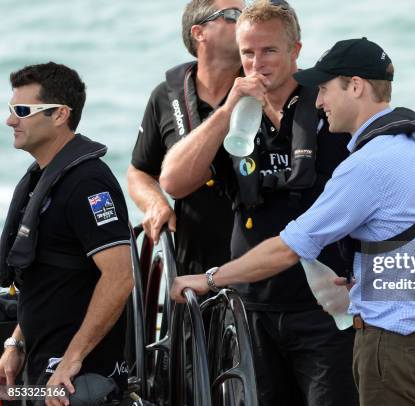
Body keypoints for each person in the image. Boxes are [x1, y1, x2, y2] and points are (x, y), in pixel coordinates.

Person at [171, 37, 415, 405]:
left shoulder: (366, 165)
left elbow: (289, 248)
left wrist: (208, 279)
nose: (318, 101)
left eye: (326, 89)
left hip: (393, 346)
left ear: (357, 87)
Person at [161, 1, 357, 404]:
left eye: (269, 51)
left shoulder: (329, 109)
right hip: (253, 307)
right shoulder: (233, 116)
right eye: (248, 53)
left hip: (323, 306)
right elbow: (174, 182)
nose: (257, 63)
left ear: (295, 52)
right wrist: (228, 109)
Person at [0, 62, 134, 404]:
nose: (10, 120)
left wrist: (72, 359)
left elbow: (119, 277)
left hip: (74, 375)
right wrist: (16, 342)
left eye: (22, 111)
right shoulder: (41, 179)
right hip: (40, 362)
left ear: (60, 115)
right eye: (11, 109)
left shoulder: (88, 183)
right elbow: (42, 276)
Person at [128, 0, 243, 275]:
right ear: (198, 33)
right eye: (231, 15)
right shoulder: (165, 97)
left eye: (246, 14)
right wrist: (155, 202)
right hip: (192, 267)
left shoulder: (263, 90)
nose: (243, 21)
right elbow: (139, 171)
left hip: (257, 264)